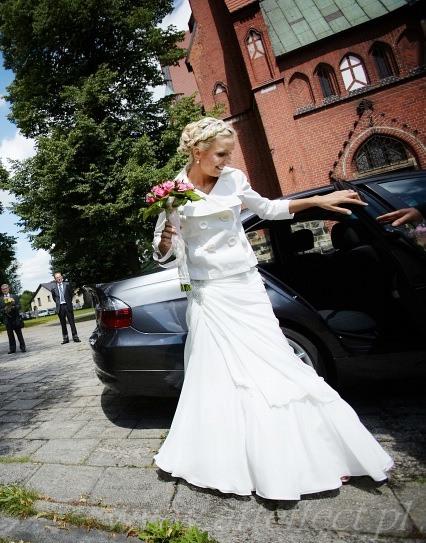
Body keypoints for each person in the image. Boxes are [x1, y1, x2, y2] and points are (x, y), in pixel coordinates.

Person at [151, 117, 392, 500]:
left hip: (246, 286)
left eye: (228, 153)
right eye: (220, 154)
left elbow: (268, 209)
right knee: (218, 374)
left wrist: (316, 200)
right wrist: (166, 237)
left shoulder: (234, 179)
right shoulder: (172, 193)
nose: (226, 160)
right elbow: (164, 254)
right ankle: (233, 458)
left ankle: (317, 450)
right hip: (210, 294)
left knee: (276, 362)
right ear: (197, 151)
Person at [50, 272, 80, 344]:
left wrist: (68, 301)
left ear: (62, 277)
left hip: (67, 305)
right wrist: (59, 302)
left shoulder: (67, 285)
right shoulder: (53, 288)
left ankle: (75, 336)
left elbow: (71, 294)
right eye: (57, 277)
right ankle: (65, 338)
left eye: (60, 277)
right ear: (55, 279)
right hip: (60, 307)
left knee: (71, 322)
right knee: (63, 323)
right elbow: (54, 297)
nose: (59, 278)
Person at [0, 284, 26, 354]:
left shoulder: (14, 296)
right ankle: (12, 349)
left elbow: (19, 306)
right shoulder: (0, 299)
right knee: (10, 335)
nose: (5, 290)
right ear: (1, 290)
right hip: (7, 319)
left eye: (6, 288)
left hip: (15, 318)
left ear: (8, 289)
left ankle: (23, 348)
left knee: (19, 334)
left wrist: (13, 306)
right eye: (3, 289)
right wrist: (5, 309)